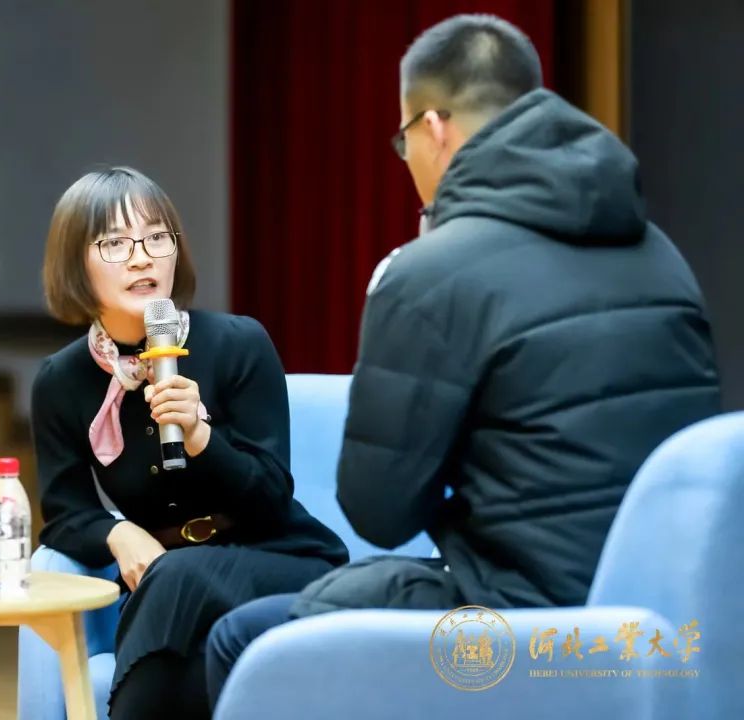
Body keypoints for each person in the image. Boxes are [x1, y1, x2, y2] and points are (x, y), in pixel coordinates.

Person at [206, 13, 721, 706]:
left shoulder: (430, 273)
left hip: (520, 626)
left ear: (433, 128)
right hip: (655, 623)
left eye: (403, 141)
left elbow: (379, 514)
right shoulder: (662, 254)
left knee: (242, 640)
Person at [33, 166, 348, 719]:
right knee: (188, 660)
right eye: (115, 243)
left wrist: (202, 437)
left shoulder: (239, 344)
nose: (142, 258)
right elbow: (65, 511)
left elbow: (272, 499)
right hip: (168, 590)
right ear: (74, 263)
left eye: (157, 237)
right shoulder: (63, 381)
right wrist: (119, 534)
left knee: (175, 575)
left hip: (280, 561)